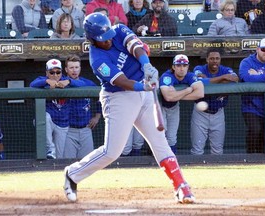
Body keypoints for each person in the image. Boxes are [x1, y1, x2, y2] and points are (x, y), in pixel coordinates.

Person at [63, 12, 195, 204]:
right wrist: (144, 86)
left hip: (143, 92)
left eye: (108, 37)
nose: (108, 41)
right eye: (103, 40)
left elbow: (136, 46)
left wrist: (147, 65)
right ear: (92, 39)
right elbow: (122, 82)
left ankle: (181, 185)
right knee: (112, 151)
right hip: (118, 98)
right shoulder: (97, 59)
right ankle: (72, 174)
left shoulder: (117, 30)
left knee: (159, 140)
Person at [30, 58, 86, 159]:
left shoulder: (66, 80)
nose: (55, 75)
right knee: (44, 117)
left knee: (59, 156)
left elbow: (82, 84)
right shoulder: (42, 80)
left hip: (63, 123)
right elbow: (32, 84)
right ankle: (50, 148)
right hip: (50, 120)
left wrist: (68, 81)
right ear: (47, 72)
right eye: (52, 72)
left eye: (58, 72)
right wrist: (46, 81)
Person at [190, 48, 239, 155]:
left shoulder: (226, 69)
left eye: (217, 58)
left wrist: (209, 80)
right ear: (207, 59)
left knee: (218, 150)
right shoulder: (199, 68)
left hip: (218, 113)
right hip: (200, 113)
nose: (215, 61)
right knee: (197, 150)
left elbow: (235, 79)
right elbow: (199, 81)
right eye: (212, 58)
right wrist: (223, 78)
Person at [159, 54, 204, 154]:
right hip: (160, 106)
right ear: (173, 67)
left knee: (171, 137)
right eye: (178, 65)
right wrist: (187, 90)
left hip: (174, 106)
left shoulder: (190, 75)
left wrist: (176, 95)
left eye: (184, 65)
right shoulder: (167, 76)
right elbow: (168, 97)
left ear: (188, 67)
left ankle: (172, 161)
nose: (181, 68)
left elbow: (200, 93)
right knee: (160, 135)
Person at [239, 38, 265, 153]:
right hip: (251, 106)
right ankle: (250, 157)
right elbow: (246, 78)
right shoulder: (247, 62)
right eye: (263, 49)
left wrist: (257, 78)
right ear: (257, 49)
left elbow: (253, 79)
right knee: (255, 130)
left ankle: (263, 162)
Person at [63, 55, 102, 159]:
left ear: (80, 68)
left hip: (86, 129)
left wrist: (97, 116)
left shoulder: (88, 83)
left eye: (76, 67)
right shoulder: (62, 83)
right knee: (67, 161)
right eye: (71, 68)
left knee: (88, 161)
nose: (74, 70)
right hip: (68, 130)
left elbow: (100, 99)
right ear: (66, 69)